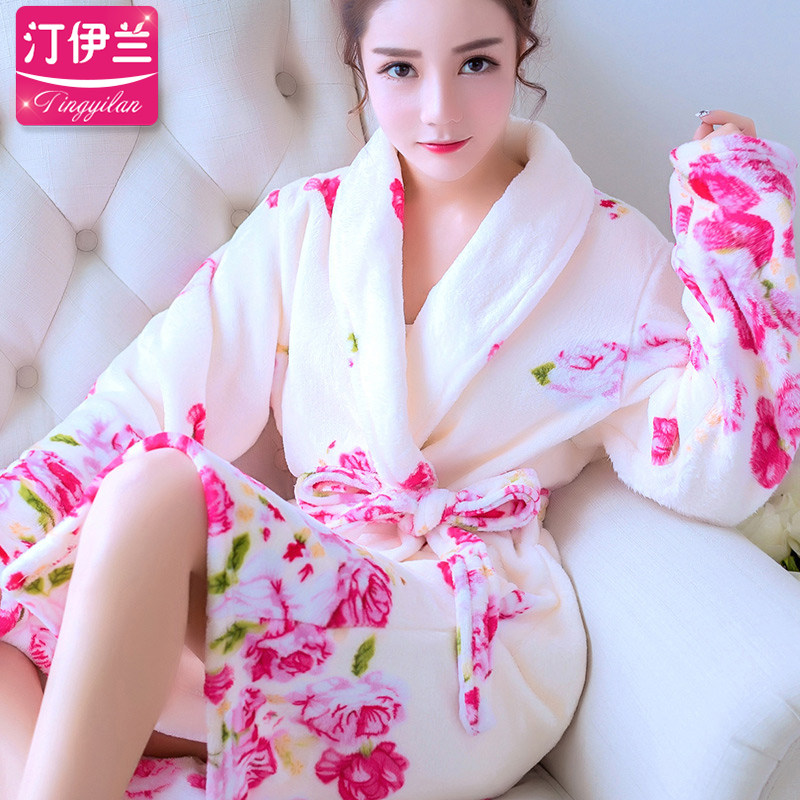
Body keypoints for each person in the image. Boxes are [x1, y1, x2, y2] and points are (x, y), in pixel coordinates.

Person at [0, 0, 798, 797]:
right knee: (13, 629)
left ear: (520, 50)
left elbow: (723, 468)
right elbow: (145, 399)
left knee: (158, 489)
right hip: (316, 596)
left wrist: (738, 220)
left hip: (470, 641)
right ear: (360, 65)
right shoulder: (306, 224)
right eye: (401, 70)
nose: (439, 108)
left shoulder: (607, 249)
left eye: (476, 63)